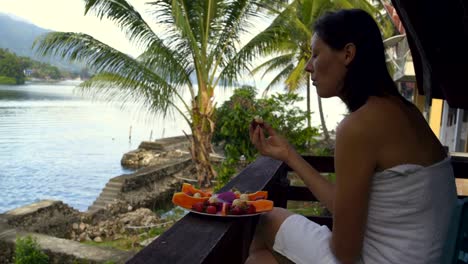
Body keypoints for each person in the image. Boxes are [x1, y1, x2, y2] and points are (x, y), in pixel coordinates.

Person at [246, 8, 457, 264]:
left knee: (266, 220)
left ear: (347, 54)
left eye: (315, 54)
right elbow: (343, 207)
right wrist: (288, 154)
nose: (308, 67)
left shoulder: (359, 126)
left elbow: (345, 253)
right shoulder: (405, 112)